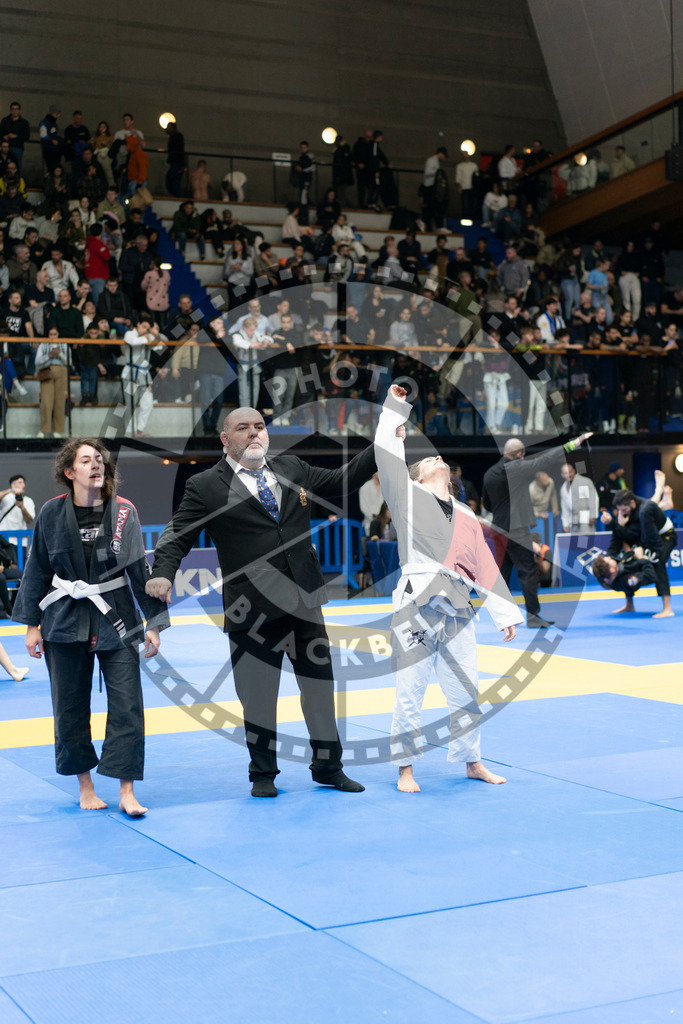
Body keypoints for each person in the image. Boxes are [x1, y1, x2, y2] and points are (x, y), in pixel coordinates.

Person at [146, 406, 376, 797]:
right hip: (250, 609)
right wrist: (163, 573)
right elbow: (177, 535)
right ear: (225, 439)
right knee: (258, 697)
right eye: (243, 428)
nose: (254, 434)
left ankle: (328, 767)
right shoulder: (205, 486)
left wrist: (384, 436)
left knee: (319, 690)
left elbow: (342, 479)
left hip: (305, 602)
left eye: (259, 426)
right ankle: (263, 774)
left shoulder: (291, 468)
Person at [375, 384, 522, 793]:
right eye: (428, 460)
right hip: (416, 602)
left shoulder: (465, 513)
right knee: (410, 688)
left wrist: (504, 612)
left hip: (458, 605)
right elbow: (387, 459)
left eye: (440, 457)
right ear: (418, 476)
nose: (437, 458)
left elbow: (484, 566)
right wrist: (395, 412)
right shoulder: (406, 497)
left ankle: (472, 761)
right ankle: (405, 768)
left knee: (466, 687)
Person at [13, 438, 169, 814]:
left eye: (99, 459)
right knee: (69, 706)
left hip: (116, 619)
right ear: (70, 472)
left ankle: (126, 791)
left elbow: (138, 570)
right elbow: (37, 570)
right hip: (63, 621)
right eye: (86, 460)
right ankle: (86, 787)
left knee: (128, 706)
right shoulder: (51, 513)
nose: (95, 465)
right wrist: (31, 624)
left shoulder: (123, 512)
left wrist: (154, 621)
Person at [482, 433, 593, 627]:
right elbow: (545, 458)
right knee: (528, 571)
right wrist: (573, 444)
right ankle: (533, 617)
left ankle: (500, 617)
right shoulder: (516, 467)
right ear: (520, 454)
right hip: (516, 528)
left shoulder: (489, 473)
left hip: (498, 529)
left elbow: (488, 504)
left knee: (503, 574)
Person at [600, 490, 676, 618]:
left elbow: (650, 539)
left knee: (658, 563)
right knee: (626, 564)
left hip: (664, 536)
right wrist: (611, 556)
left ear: (632, 502)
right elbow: (622, 536)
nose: (622, 513)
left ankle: (667, 609)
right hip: (646, 535)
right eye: (620, 511)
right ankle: (629, 605)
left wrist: (647, 557)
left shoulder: (644, 511)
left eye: (624, 509)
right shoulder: (627, 512)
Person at [592, 548, 657, 613]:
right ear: (612, 570)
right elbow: (651, 576)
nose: (609, 557)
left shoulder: (601, 574)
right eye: (609, 560)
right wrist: (641, 558)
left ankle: (629, 605)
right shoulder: (628, 580)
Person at [34, 327, 70, 439]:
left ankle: (58, 431)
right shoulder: (43, 345)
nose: (52, 336)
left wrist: (60, 354)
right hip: (47, 371)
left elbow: (69, 362)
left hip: (61, 371)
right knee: (46, 402)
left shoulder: (64, 345)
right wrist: (48, 355)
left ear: (58, 334)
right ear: (48, 335)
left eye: (55, 334)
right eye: (50, 334)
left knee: (60, 401)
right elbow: (37, 362)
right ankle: (44, 430)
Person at [559, 462, 599, 534]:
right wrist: (565, 523)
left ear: (574, 471)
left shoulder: (585, 482)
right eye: (565, 473)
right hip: (573, 520)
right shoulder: (563, 488)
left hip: (586, 518)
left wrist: (593, 515)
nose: (568, 475)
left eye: (570, 472)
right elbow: (564, 507)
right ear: (562, 475)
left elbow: (593, 499)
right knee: (575, 543)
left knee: (585, 542)